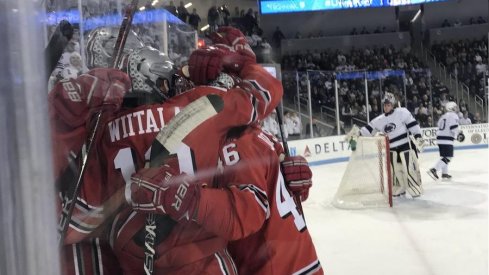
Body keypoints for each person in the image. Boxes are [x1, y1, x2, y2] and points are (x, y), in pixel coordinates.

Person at [52, 27, 285, 274]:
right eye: (173, 78)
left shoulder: (102, 135)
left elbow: (74, 223)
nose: (180, 82)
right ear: (157, 77)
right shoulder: (204, 103)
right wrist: (242, 61)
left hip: (137, 265)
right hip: (205, 264)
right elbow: (267, 90)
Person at [348, 92, 425, 197]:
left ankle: (414, 188)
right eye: (384, 105)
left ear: (392, 105)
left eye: (388, 105)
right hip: (392, 149)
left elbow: (413, 125)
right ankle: (399, 188)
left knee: (409, 169)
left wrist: (418, 136)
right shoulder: (379, 120)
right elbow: (367, 130)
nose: (386, 107)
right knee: (396, 171)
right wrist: (355, 135)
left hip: (405, 145)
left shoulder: (402, 112)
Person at [428, 102, 464, 180]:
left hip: (440, 138)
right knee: (448, 157)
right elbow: (453, 127)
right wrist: (458, 134)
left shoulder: (443, 116)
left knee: (444, 157)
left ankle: (444, 173)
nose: (456, 108)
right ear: (451, 108)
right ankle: (434, 170)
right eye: (455, 107)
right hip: (446, 139)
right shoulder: (453, 115)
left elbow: (439, 125)